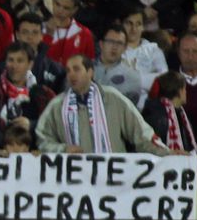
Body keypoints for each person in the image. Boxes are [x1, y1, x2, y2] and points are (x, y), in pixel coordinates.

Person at [36, 55, 169, 155]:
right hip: (74, 182)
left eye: (76, 69)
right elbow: (42, 140)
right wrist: (63, 149)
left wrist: (168, 154)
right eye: (68, 70)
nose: (71, 75)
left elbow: (142, 134)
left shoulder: (113, 98)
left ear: (90, 72)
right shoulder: (57, 105)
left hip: (113, 180)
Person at [0, 41, 53, 150]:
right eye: (10, 60)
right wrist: (7, 142)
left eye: (20, 61)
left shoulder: (43, 94)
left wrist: (31, 125)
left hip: (34, 160)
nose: (14, 66)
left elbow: (54, 124)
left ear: (30, 64)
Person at [141, 71, 197, 153]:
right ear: (180, 91)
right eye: (185, 88)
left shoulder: (180, 113)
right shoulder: (157, 115)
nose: (186, 92)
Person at [42, 0, 95, 67]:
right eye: (57, 4)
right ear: (52, 2)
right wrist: (48, 36)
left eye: (66, 8)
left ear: (74, 10)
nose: (60, 10)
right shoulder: (39, 28)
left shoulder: (84, 34)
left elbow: (89, 65)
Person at [120, 7, 167, 94]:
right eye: (129, 23)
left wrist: (133, 79)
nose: (133, 29)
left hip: (148, 104)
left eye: (138, 24)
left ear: (143, 27)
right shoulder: (115, 50)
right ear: (121, 24)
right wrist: (149, 78)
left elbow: (164, 80)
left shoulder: (154, 50)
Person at [94, 23, 143, 106]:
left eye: (119, 43)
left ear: (125, 48)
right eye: (110, 42)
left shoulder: (133, 78)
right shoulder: (83, 69)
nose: (114, 47)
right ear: (101, 44)